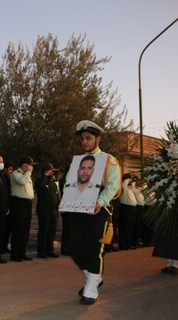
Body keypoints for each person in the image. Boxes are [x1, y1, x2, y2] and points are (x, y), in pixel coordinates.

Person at [64, 120, 121, 305]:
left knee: (93, 248)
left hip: (98, 210)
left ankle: (91, 288)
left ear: (98, 138)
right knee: (73, 248)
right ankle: (93, 277)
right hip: (77, 210)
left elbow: (113, 185)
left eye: (88, 138)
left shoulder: (108, 160)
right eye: (82, 139)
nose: (84, 142)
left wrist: (101, 201)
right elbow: (71, 185)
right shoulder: (78, 162)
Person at [9, 157, 36, 262]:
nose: (31, 166)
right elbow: (22, 182)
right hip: (18, 203)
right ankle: (15, 254)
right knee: (18, 229)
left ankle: (22, 252)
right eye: (29, 164)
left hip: (27, 203)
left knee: (25, 230)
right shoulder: (16, 173)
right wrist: (28, 172)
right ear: (24, 164)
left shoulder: (26, 175)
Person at [35, 163, 60, 259]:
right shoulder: (40, 181)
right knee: (43, 231)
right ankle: (41, 251)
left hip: (52, 211)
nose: (52, 173)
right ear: (46, 171)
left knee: (51, 232)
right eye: (51, 171)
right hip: (44, 211)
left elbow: (56, 195)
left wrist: (57, 208)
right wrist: (45, 175)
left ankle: (50, 250)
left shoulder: (52, 183)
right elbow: (40, 184)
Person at [118, 174, 137, 250]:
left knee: (130, 227)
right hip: (125, 208)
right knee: (124, 227)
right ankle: (123, 245)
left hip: (132, 209)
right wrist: (128, 179)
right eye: (129, 179)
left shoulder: (129, 188)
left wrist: (132, 182)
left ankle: (128, 243)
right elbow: (124, 184)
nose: (131, 181)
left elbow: (134, 187)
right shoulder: (123, 186)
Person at [2, 162, 14, 254]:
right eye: (10, 169)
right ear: (5, 170)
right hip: (4, 208)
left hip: (11, 207)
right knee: (3, 229)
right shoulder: (3, 179)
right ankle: (1, 246)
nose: (11, 172)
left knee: (8, 229)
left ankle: (5, 246)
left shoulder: (11, 180)